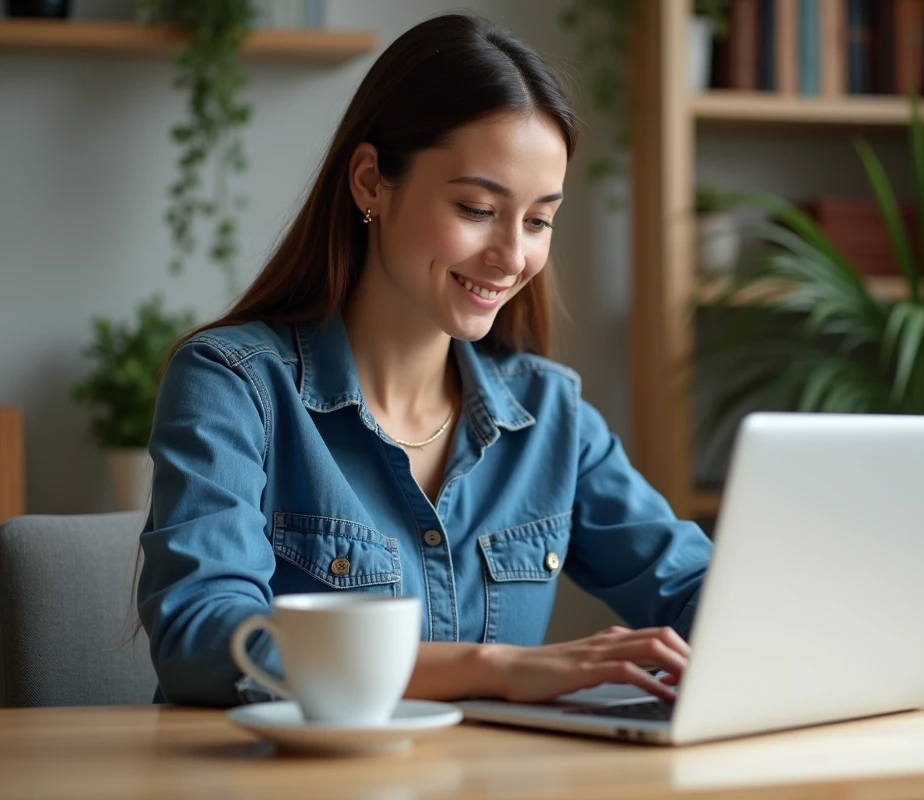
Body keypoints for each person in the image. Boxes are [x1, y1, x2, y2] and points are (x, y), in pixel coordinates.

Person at [137, 12, 712, 708]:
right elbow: (204, 644)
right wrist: (495, 668)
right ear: (371, 182)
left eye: (538, 221)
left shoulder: (550, 415)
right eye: (477, 208)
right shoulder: (234, 385)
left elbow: (691, 586)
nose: (512, 256)